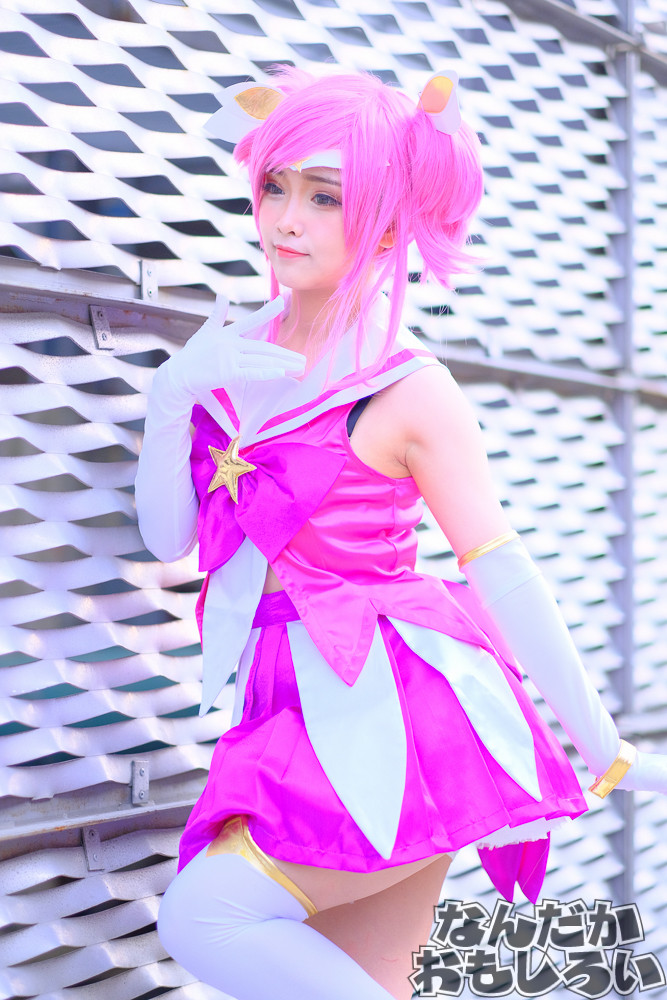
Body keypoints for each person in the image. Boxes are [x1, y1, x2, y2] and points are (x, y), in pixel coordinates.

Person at [135, 68, 667, 1000]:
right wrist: (172, 393)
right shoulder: (233, 354)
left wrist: (602, 744)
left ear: (385, 223)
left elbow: (502, 570)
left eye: (325, 196)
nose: (285, 220)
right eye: (275, 186)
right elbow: (168, 539)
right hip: (283, 702)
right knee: (369, 982)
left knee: (202, 916)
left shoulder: (410, 388)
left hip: (392, 710)